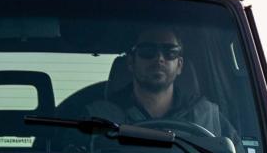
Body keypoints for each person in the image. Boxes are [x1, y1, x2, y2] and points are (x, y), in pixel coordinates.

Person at [59, 24, 229, 141]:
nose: (159, 59)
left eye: (170, 52)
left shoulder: (208, 116)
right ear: (131, 62)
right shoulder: (97, 117)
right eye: (148, 51)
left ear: (179, 65)